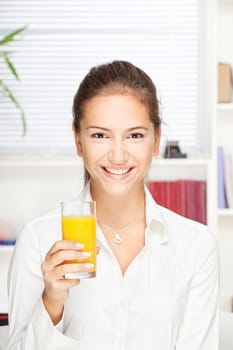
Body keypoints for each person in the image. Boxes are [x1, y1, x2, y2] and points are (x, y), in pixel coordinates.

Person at [7, 60, 219, 350]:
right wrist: (52, 301)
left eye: (135, 135)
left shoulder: (196, 245)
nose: (118, 155)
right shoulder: (38, 239)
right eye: (99, 135)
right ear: (78, 140)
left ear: (156, 139)